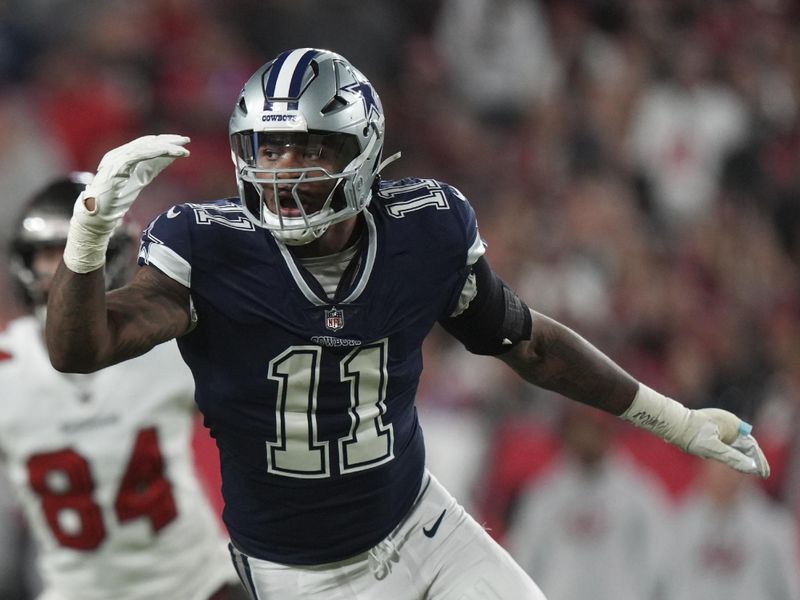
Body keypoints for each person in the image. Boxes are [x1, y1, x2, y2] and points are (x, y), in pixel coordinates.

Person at [44, 48, 770, 599]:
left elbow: (525, 342)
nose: (285, 169)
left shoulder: (424, 229)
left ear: (360, 153)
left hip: (423, 526)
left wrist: (670, 418)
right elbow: (82, 347)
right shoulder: (207, 244)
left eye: (310, 146)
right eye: (270, 148)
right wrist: (86, 241)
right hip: (301, 576)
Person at [0, 174, 247, 600]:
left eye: (77, 250)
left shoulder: (167, 344)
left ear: (113, 256)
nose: (64, 269)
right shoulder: (8, 371)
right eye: (49, 253)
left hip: (198, 586)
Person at [505, 404, 671, 600]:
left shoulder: (640, 493)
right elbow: (521, 559)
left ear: (607, 431)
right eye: (578, 427)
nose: (585, 436)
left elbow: (661, 561)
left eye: (592, 427)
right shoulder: (543, 494)